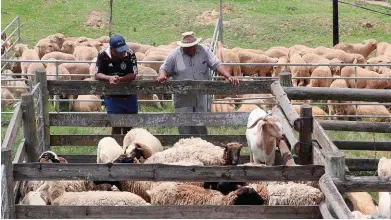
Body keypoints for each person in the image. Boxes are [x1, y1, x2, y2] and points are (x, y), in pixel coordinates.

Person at [157, 31, 239, 135]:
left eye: (193, 46)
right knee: (184, 127)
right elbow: (163, 68)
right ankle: (185, 149)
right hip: (183, 99)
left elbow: (216, 64)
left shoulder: (204, 51)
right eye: (188, 47)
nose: (191, 49)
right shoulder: (175, 55)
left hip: (200, 97)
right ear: (183, 47)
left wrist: (229, 76)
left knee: (201, 126)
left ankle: (202, 148)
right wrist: (162, 75)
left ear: (196, 44)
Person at [95, 34, 138, 135]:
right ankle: (116, 149)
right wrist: (109, 78)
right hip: (112, 96)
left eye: (124, 49)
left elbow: (133, 74)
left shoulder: (130, 53)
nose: (123, 52)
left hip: (129, 94)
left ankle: (128, 149)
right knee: (115, 125)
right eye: (120, 50)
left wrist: (121, 79)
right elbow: (97, 74)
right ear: (113, 50)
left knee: (129, 125)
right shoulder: (102, 54)